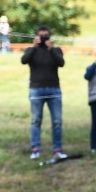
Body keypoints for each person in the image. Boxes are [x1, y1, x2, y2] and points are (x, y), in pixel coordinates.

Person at [21, 25, 67, 159]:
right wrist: (34, 47)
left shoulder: (56, 50)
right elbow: (24, 60)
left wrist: (51, 49)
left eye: (45, 35)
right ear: (37, 36)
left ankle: (57, 148)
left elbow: (61, 63)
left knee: (57, 121)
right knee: (36, 120)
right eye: (41, 36)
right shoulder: (31, 50)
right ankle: (35, 148)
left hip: (54, 89)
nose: (43, 38)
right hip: (36, 89)